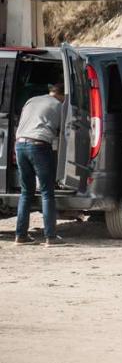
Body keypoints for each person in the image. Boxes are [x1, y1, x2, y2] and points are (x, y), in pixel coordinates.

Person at [13, 83, 65, 246]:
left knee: (26, 191)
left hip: (20, 145)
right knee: (47, 192)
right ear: (62, 95)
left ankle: (20, 236)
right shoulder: (59, 105)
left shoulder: (31, 100)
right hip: (39, 146)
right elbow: (64, 130)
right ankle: (50, 237)